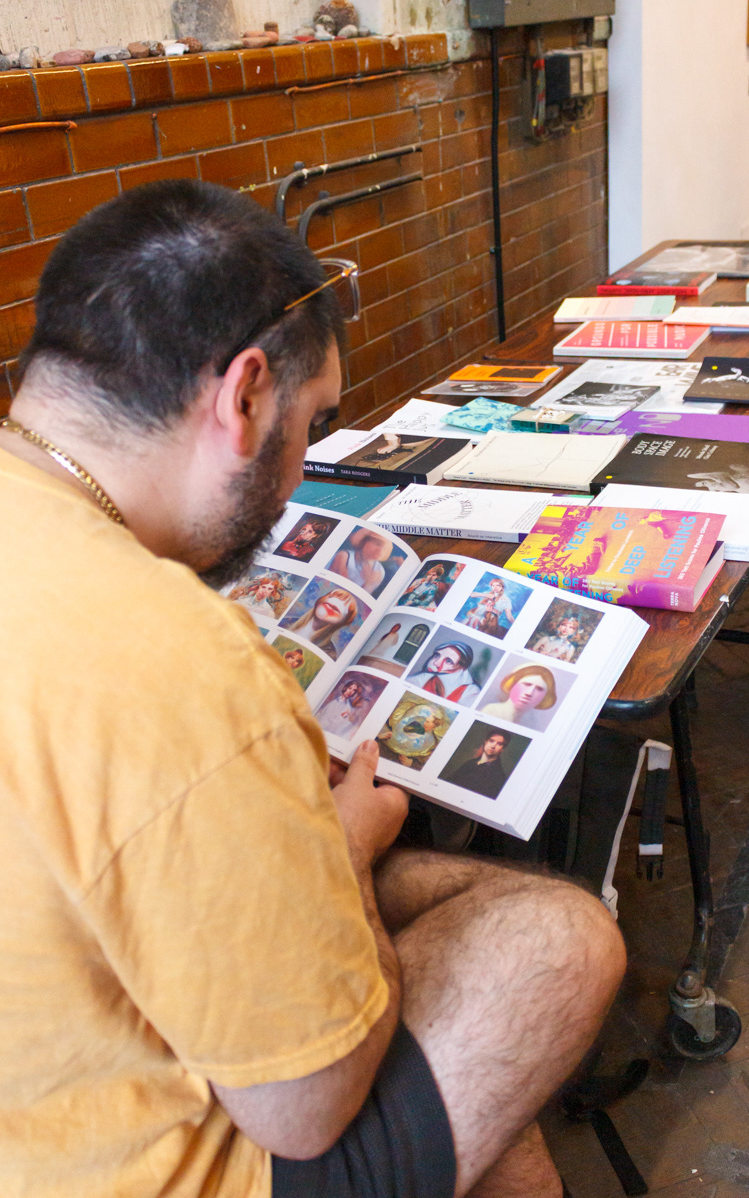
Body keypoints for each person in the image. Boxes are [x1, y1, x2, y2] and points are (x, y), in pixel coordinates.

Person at [0, 179, 625, 1198]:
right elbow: (306, 1112)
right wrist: (338, 852)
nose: (297, 478)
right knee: (560, 942)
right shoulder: (181, 658)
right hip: (124, 1166)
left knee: (461, 991)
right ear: (245, 396)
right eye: (313, 423)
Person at [285, 585, 359, 659]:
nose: (336, 602)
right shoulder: (285, 622)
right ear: (319, 600)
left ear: (344, 621)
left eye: (346, 606)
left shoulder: (329, 653)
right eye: (331, 596)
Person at [444, 730, 513, 799]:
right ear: (486, 742)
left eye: (499, 744)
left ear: (502, 749)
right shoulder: (470, 763)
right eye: (491, 741)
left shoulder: (499, 776)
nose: (493, 746)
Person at [480, 664, 557, 726]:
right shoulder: (491, 711)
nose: (529, 693)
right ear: (512, 685)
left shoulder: (529, 724)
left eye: (539, 689)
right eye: (527, 684)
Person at [407, 641, 480, 704]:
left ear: (462, 668)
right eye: (437, 656)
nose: (436, 663)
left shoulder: (471, 691)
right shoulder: (427, 676)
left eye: (448, 661)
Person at [329, 528, 393, 596]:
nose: (380, 551)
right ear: (364, 541)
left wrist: (369, 583)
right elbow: (343, 588)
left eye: (384, 549)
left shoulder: (379, 571)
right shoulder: (344, 556)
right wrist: (368, 582)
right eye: (377, 544)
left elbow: (362, 596)